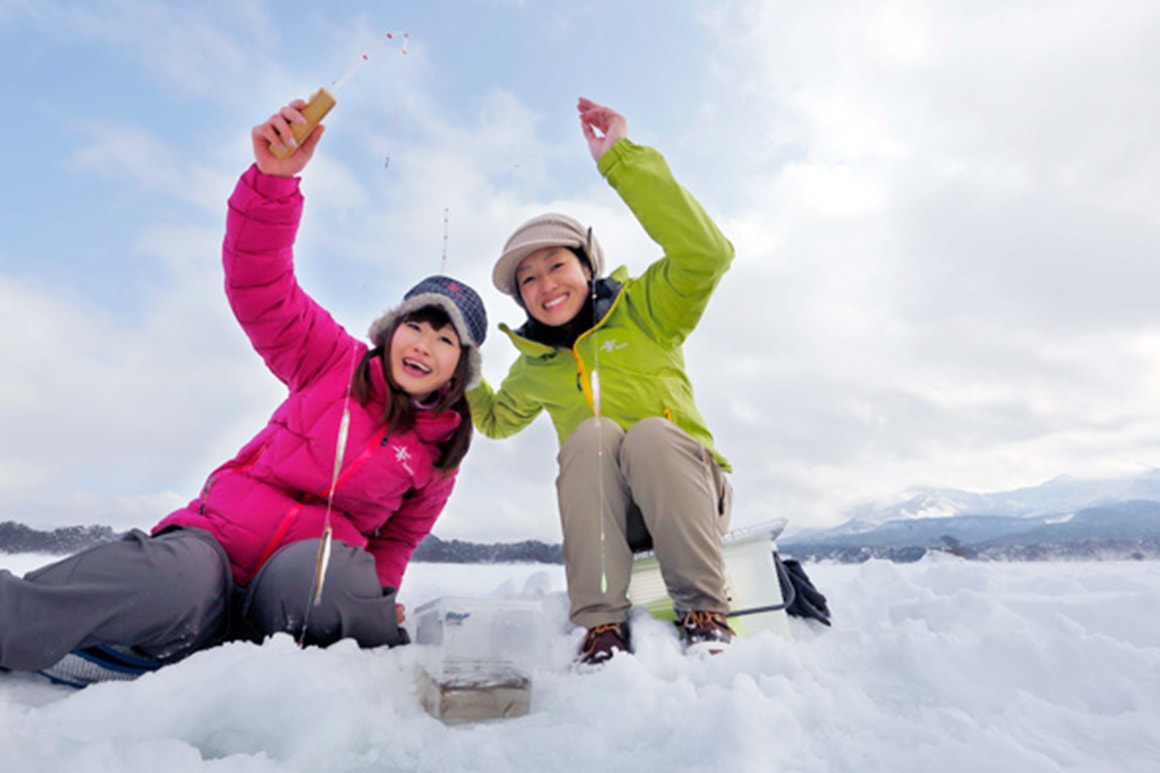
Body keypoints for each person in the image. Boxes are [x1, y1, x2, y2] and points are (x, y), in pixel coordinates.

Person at [0, 97, 487, 686]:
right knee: (168, 573)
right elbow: (263, 288)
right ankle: (51, 630)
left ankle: (288, 677)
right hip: (212, 557)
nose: (423, 344)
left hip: (294, 604)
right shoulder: (330, 359)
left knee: (322, 572)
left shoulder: (440, 451)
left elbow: (400, 540)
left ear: (459, 367)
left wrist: (376, 598)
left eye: (444, 339)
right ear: (390, 331)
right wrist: (273, 184)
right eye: (415, 324)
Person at [469, 97, 736, 666]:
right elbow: (492, 421)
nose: (546, 285)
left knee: (646, 435)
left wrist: (622, 161)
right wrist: (462, 367)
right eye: (529, 279)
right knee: (591, 436)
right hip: (611, 521)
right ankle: (601, 629)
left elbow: (706, 254)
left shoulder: (646, 310)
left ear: (588, 267)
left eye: (557, 265)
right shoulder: (534, 366)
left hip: (685, 497)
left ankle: (705, 613)